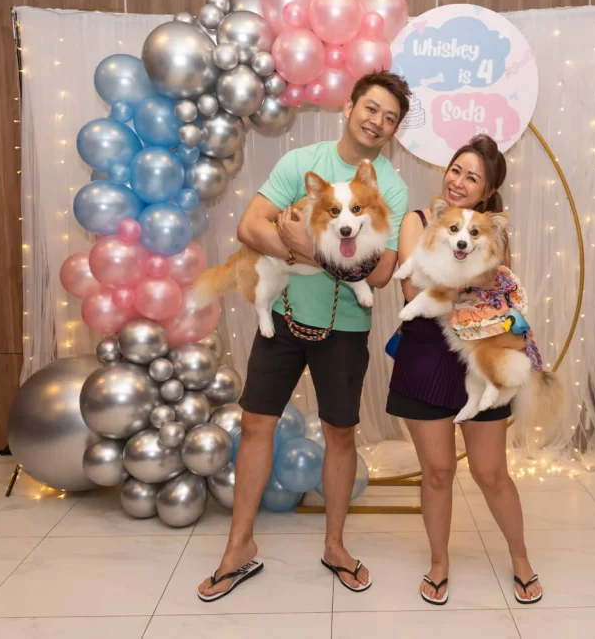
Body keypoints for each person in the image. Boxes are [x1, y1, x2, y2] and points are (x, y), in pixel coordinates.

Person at [198, 71, 411, 602]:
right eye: (372, 108)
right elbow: (250, 226)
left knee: (340, 433)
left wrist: (305, 246)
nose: (378, 122)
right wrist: (297, 247)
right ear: (349, 107)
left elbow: (381, 273)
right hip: (285, 317)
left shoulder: (390, 186)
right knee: (256, 423)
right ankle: (238, 546)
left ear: (395, 130)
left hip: (345, 328)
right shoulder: (301, 163)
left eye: (390, 118)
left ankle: (335, 546)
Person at [387, 134, 543, 606]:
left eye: (472, 178)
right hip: (425, 355)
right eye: (456, 169)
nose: (458, 181)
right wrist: (472, 279)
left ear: (487, 192)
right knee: (436, 472)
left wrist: (468, 280)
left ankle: (521, 559)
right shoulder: (419, 220)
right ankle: (439, 564)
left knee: (491, 472)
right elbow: (413, 289)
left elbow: (495, 286)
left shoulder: (492, 232)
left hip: (480, 352)